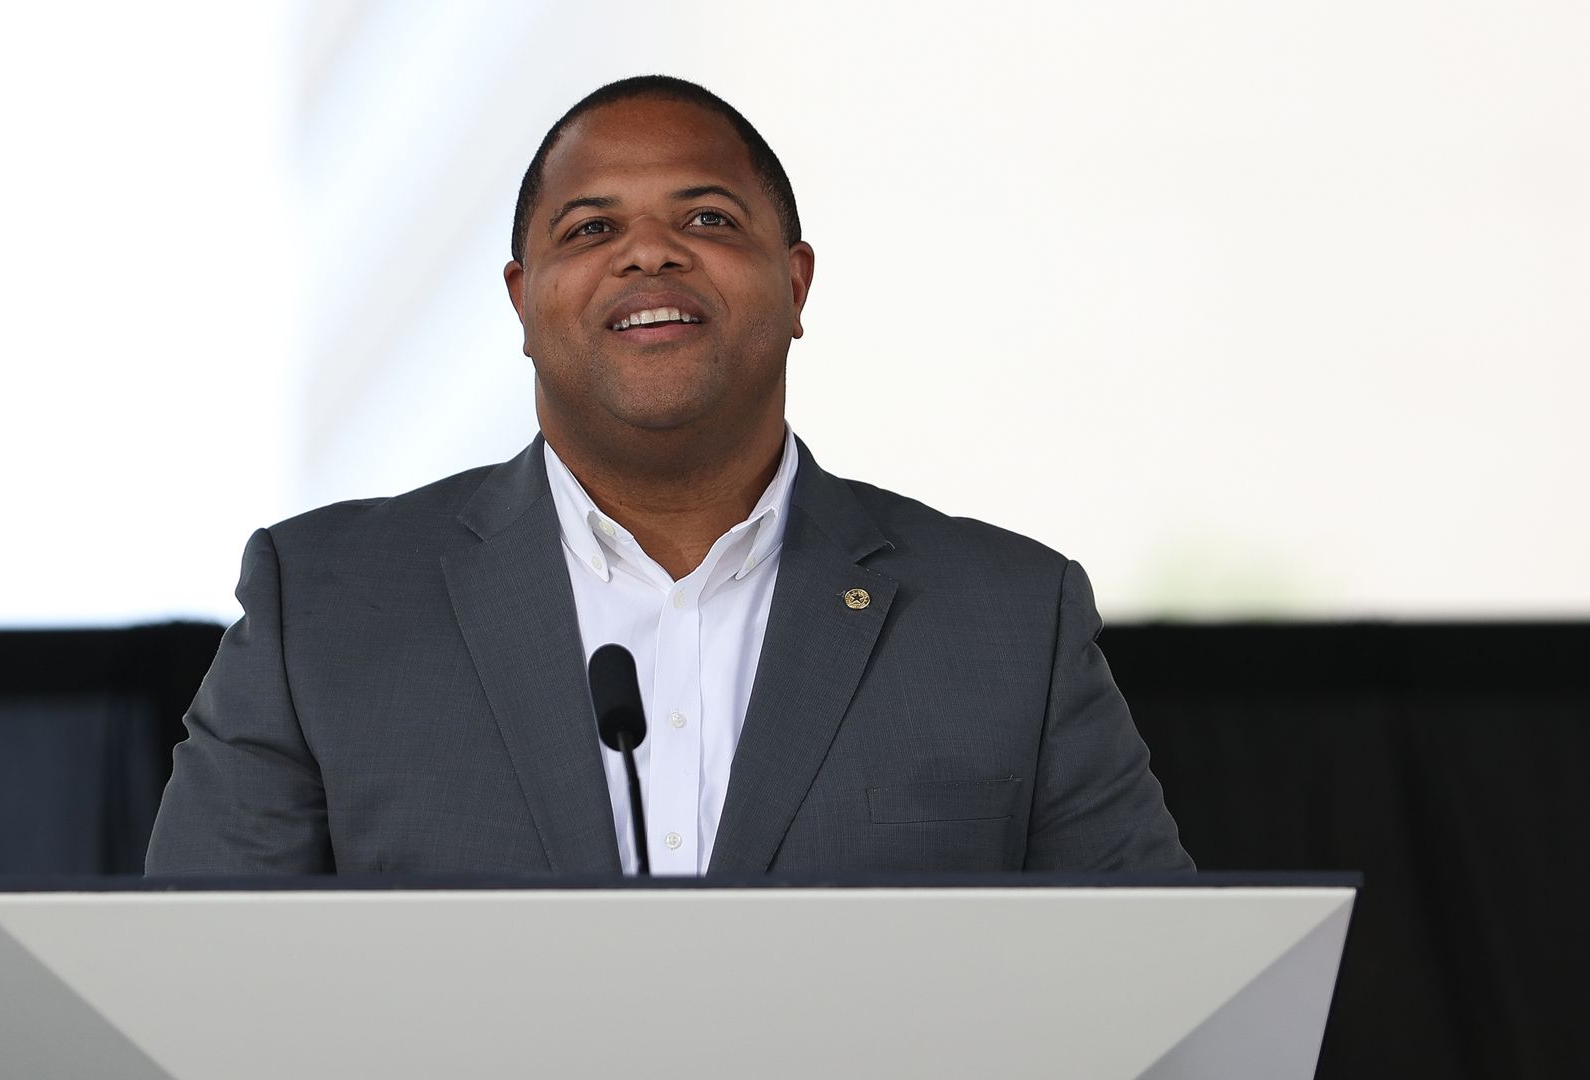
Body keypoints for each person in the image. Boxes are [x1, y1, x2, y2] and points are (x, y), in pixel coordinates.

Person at [145, 75, 1192, 877]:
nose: (649, 255)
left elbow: (1165, 1002)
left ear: (794, 283)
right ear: (522, 301)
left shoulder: (1010, 619)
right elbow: (188, 1001)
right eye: (592, 228)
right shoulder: (323, 607)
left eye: (708, 220)